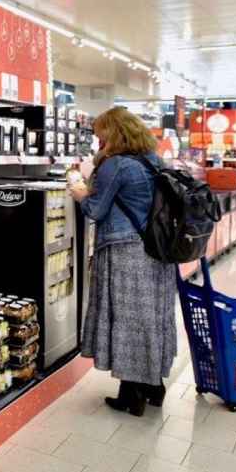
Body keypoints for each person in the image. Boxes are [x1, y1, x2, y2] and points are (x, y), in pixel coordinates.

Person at [68, 107, 176, 417]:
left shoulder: (115, 164)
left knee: (128, 321)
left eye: (100, 132)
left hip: (124, 251)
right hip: (156, 251)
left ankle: (133, 395)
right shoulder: (153, 160)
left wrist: (80, 191)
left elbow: (95, 210)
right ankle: (153, 386)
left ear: (113, 133)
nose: (97, 138)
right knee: (150, 319)